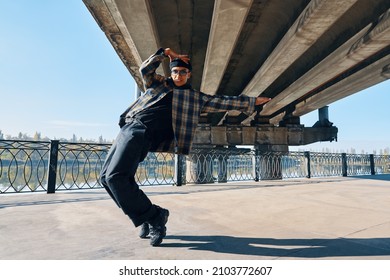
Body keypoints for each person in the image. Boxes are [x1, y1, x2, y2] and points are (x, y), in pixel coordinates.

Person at [99, 48, 271, 246]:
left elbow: (224, 102)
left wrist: (252, 102)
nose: (178, 75)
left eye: (182, 72)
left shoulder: (195, 97)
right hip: (128, 127)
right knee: (106, 178)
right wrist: (165, 53)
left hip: (143, 134)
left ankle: (155, 217)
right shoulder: (158, 84)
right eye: (175, 71)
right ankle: (147, 216)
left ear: (189, 75)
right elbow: (145, 69)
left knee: (116, 177)